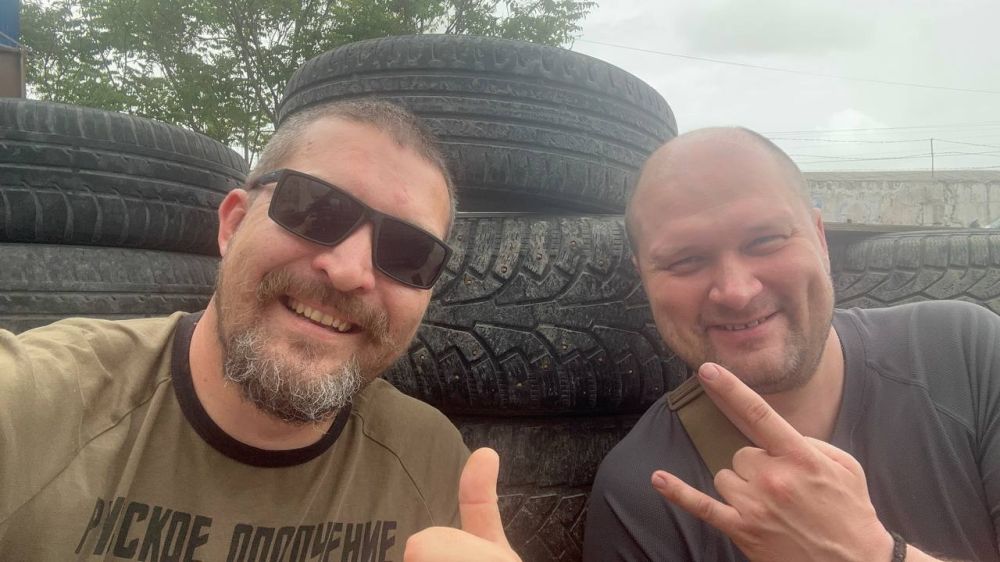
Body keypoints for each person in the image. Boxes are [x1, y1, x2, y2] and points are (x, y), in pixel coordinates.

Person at [0, 99, 519, 562]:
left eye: (409, 253)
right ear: (232, 224)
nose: (349, 271)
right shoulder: (33, 405)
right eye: (317, 210)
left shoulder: (432, 463)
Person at [583, 127, 1000, 562]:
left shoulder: (964, 355)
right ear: (644, 278)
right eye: (685, 260)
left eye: (765, 240)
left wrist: (869, 554)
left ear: (820, 237)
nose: (736, 291)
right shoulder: (642, 493)